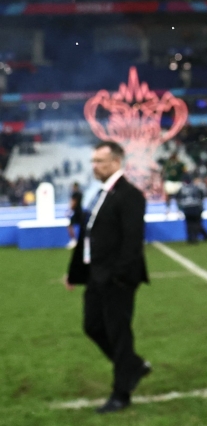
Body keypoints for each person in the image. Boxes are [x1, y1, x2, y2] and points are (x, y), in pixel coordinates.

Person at [64, 141, 151, 414]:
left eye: (99, 161)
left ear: (115, 162)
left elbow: (132, 241)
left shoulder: (130, 195)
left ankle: (121, 393)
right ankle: (132, 366)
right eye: (93, 161)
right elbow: (89, 237)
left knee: (119, 333)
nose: (94, 166)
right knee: (92, 326)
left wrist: (120, 277)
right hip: (95, 275)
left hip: (116, 279)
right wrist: (76, 272)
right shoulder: (99, 193)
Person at [175, 174, 207, 244]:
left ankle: (192, 238)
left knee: (189, 224)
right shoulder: (196, 187)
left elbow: (178, 199)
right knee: (197, 223)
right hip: (196, 207)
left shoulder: (182, 189)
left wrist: (180, 208)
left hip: (187, 208)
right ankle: (199, 236)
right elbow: (202, 196)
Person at [66, 181, 85, 248]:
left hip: (76, 212)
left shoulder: (75, 193)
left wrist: (69, 211)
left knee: (70, 225)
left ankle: (73, 240)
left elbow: (74, 203)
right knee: (83, 226)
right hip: (80, 211)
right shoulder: (81, 193)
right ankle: (83, 239)